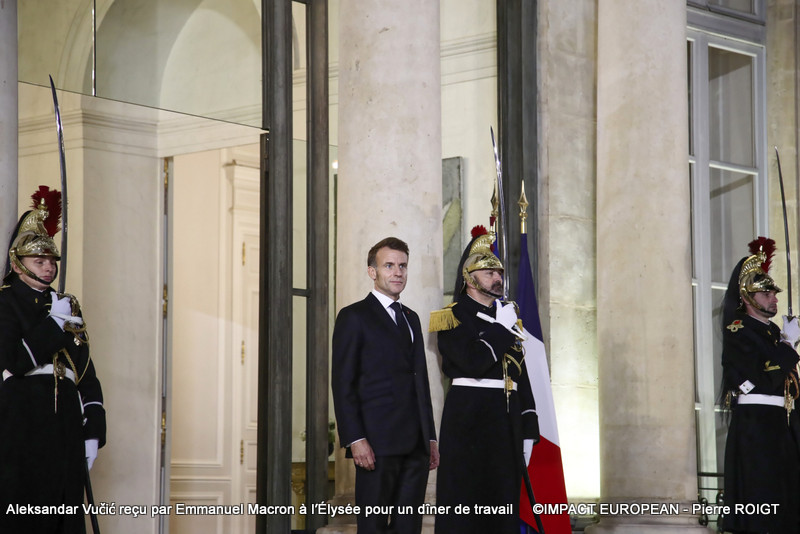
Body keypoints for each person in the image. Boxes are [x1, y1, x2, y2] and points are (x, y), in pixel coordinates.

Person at [0, 187, 106, 534]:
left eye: (51, 262)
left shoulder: (66, 304)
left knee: (66, 517)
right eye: (39, 261)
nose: (48, 268)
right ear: (18, 263)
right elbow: (15, 361)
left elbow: (85, 372)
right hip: (24, 422)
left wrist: (94, 429)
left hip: (67, 426)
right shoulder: (5, 303)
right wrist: (52, 325)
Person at [430, 227, 539, 534]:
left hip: (505, 425)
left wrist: (528, 428)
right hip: (469, 423)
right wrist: (502, 330)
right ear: (469, 277)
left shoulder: (506, 318)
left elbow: (520, 378)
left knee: (502, 508)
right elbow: (473, 362)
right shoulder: (451, 317)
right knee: (466, 507)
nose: (497, 277)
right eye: (488, 271)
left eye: (499, 271)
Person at [331, 236, 439, 534]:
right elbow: (343, 383)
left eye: (402, 266)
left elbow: (420, 381)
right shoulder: (353, 317)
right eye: (389, 265)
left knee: (408, 528)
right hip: (376, 444)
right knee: (374, 527)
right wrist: (355, 438)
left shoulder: (411, 318)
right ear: (372, 271)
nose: (397, 272)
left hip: (415, 445)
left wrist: (429, 437)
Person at [720, 237, 800, 534]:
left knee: (787, 501)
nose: (774, 299)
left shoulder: (773, 332)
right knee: (761, 499)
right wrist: (789, 343)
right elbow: (767, 376)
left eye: (774, 293)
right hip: (756, 426)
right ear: (747, 297)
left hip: (782, 422)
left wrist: (783, 340)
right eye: (766, 294)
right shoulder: (738, 331)